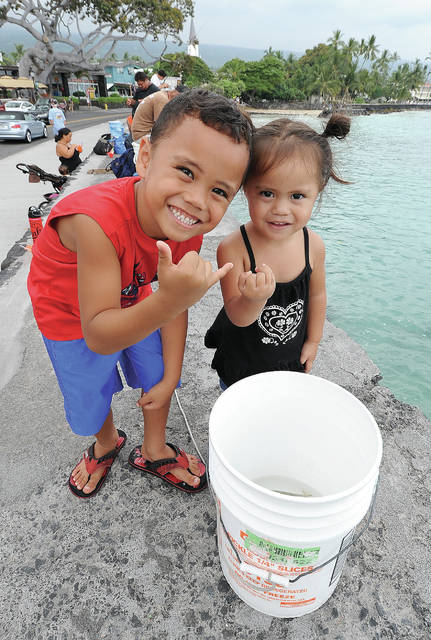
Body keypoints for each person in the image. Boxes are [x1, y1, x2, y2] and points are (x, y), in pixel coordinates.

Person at [27, 89, 253, 499]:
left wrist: (170, 377)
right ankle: (106, 441)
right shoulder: (95, 223)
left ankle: (153, 447)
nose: (197, 201)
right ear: (145, 157)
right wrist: (169, 300)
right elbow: (99, 333)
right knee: (89, 389)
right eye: (186, 171)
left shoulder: (186, 226)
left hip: (134, 295)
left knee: (157, 371)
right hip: (69, 313)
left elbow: (174, 305)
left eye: (220, 191)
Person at [205, 114, 351, 388]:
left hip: (289, 358)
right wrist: (253, 299)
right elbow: (237, 315)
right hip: (243, 362)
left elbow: (318, 295)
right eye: (267, 194)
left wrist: (313, 340)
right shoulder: (234, 248)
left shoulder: (313, 245)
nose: (281, 209)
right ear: (245, 188)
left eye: (297, 196)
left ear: (317, 191)